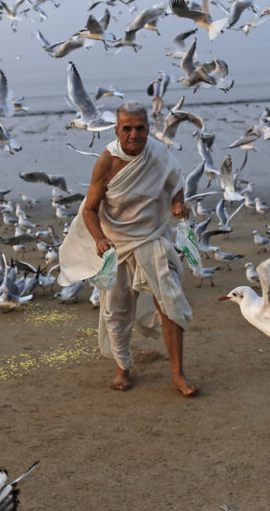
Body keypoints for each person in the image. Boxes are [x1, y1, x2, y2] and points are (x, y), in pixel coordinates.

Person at [58, 101, 198, 396]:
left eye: (140, 128)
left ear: (148, 128)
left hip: (152, 240)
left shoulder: (159, 153)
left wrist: (177, 204)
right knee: (117, 312)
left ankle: (178, 375)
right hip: (117, 245)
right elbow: (89, 210)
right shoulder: (106, 161)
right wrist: (98, 239)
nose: (134, 134)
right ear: (116, 130)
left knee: (169, 304)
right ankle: (123, 368)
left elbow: (175, 183)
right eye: (128, 129)